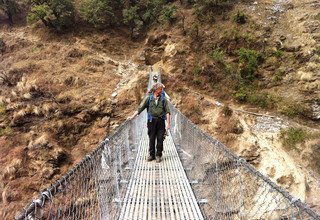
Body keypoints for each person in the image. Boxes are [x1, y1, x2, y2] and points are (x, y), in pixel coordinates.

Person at [129, 83, 170, 163]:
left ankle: (158, 155)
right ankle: (151, 155)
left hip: (161, 121)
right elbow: (140, 108)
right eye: (160, 89)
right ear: (156, 90)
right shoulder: (148, 99)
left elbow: (168, 112)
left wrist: (168, 124)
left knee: (160, 138)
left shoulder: (163, 99)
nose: (162, 91)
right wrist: (132, 116)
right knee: (151, 138)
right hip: (151, 122)